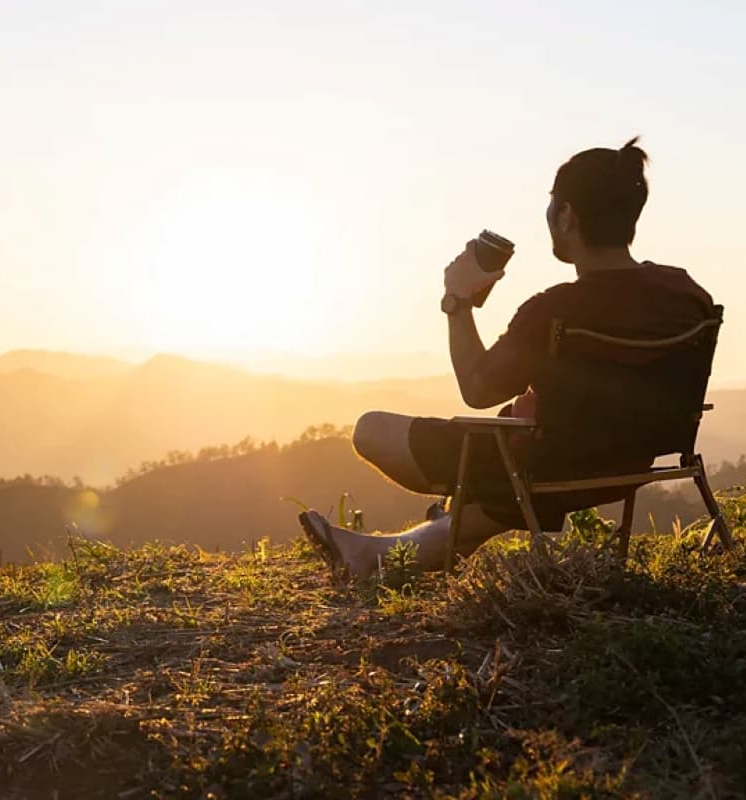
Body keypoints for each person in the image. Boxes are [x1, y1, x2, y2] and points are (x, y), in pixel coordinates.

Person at [300, 137, 716, 577]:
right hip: (632, 461)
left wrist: (457, 303)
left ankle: (394, 546)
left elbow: (477, 391)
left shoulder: (553, 310)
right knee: (506, 480)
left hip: (544, 468)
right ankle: (381, 550)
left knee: (370, 428)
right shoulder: (687, 294)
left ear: (567, 215)